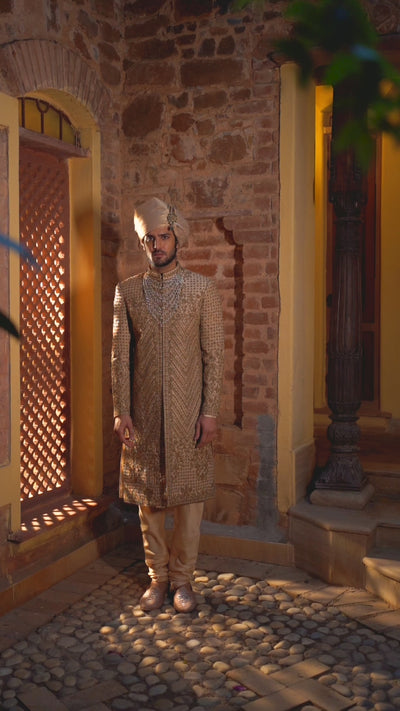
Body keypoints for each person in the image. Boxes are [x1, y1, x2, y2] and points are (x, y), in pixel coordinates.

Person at [111, 197, 224, 613]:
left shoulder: (201, 289)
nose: (157, 245)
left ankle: (183, 580)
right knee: (149, 502)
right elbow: (119, 357)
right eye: (150, 239)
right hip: (143, 415)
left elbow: (214, 354)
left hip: (189, 414)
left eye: (163, 237)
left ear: (177, 238)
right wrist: (121, 410)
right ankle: (158, 579)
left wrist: (209, 412)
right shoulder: (127, 292)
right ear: (142, 243)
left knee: (189, 502)